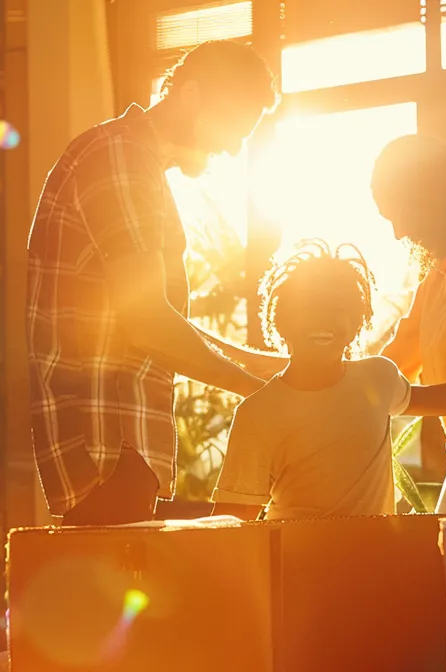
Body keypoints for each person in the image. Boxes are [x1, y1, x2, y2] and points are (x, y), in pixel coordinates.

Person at [211, 134, 446, 512]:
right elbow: (393, 360)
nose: (398, 232)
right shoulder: (440, 276)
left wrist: (397, 398)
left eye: (400, 214)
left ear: (437, 199)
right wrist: (314, 373)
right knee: (436, 571)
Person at [26, 40, 278, 526]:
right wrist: (257, 393)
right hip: (105, 445)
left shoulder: (135, 163)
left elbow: (147, 312)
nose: (231, 147)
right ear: (190, 95)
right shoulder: (120, 156)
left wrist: (268, 368)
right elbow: (148, 324)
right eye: (231, 127)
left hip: (117, 447)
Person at [210, 241, 413, 521]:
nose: (323, 319)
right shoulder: (256, 415)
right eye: (308, 306)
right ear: (282, 320)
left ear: (357, 321)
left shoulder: (380, 377)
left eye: (337, 307)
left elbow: (444, 400)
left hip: (375, 560)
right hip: (294, 560)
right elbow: (231, 523)